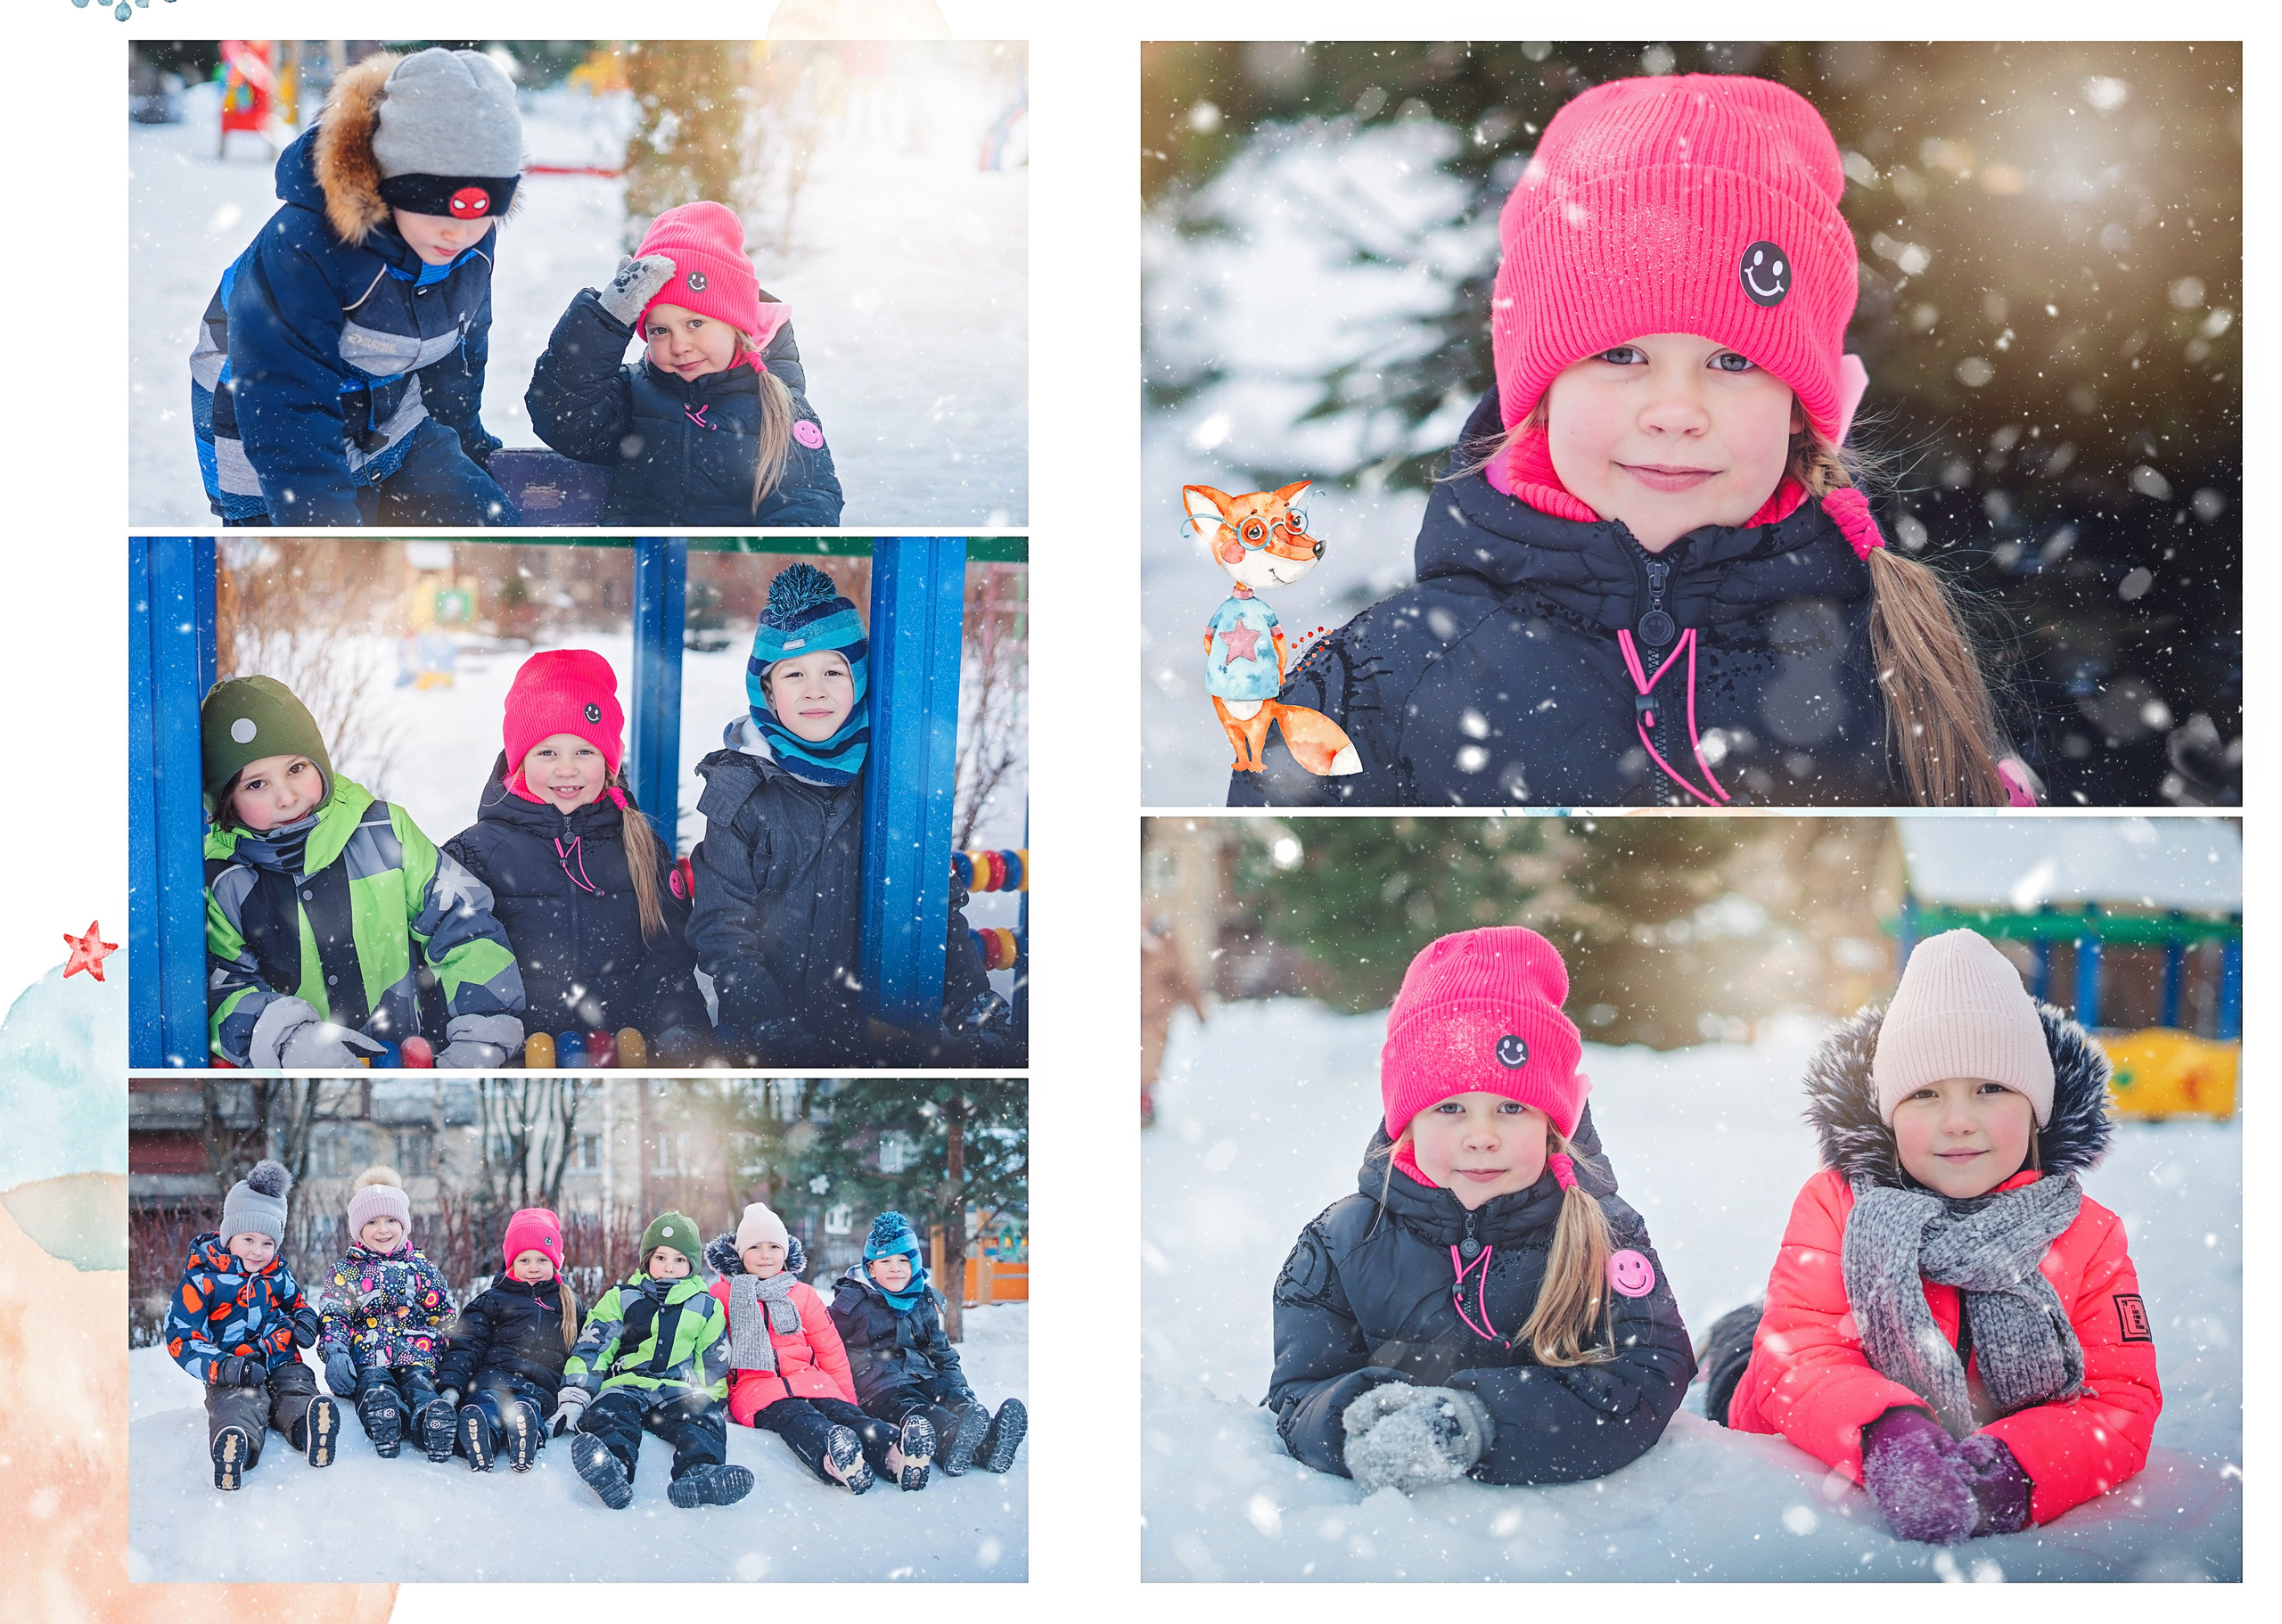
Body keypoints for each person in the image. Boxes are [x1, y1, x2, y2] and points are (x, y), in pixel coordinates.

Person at [1232, 74, 2033, 810]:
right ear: (1542, 389)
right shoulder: (1379, 679)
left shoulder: (1899, 659)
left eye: (1733, 360)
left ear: (1799, 406)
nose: (1675, 410)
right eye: (1621, 355)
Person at [1710, 930, 2162, 1544]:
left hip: (1983, 1444)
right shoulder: (1839, 1205)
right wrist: (1888, 1432)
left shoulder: (2088, 1235)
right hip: (1771, 1388)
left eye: (1990, 1088)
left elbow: (2119, 1403)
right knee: (1749, 1348)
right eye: (1924, 1094)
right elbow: (1797, 1358)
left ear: (2038, 1106)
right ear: (1891, 1115)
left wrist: (2007, 1472)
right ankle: (1732, 1329)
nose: (1957, 1122)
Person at [1268, 927, 1693, 1492]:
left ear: (1552, 1122)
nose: (1482, 1135)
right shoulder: (1342, 1242)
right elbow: (1300, 1391)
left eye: (1511, 1106)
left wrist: (1476, 1420)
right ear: (1407, 1125)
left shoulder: (1602, 1234)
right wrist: (1356, 1419)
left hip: (1569, 1545)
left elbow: (1646, 1379)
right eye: (1450, 1107)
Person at [688, 565, 1013, 1064]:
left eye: (833, 672)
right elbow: (721, 927)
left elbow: (930, 903)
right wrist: (766, 1020)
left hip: (878, 1026)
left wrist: (968, 999)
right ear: (767, 691)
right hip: (768, 1037)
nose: (814, 690)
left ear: (858, 681)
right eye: (794, 673)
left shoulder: (889, 783)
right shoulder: (742, 790)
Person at [188, 47, 521, 526]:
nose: (458, 234)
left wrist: (466, 444)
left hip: (384, 404)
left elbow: (459, 349)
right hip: (261, 407)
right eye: (436, 208)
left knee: (484, 523)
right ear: (389, 182)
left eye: (483, 213)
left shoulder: (467, 241)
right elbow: (286, 401)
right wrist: (325, 533)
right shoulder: (307, 247)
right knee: (328, 560)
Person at [201, 676, 526, 1068]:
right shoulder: (226, 881)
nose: (286, 797)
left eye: (296, 768)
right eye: (256, 784)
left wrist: (483, 1025)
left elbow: (462, 921)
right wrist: (287, 1041)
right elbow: (225, 984)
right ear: (227, 803)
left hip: (409, 1062)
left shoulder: (384, 834)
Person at [443, 651, 708, 1060]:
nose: (566, 769)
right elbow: (450, 965)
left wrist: (679, 1037)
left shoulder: (639, 847)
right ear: (519, 760)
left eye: (584, 752)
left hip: (625, 1060)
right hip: (520, 1064)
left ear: (607, 762)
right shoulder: (475, 856)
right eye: (547, 753)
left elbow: (669, 964)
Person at [525, 201, 844, 525]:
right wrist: (606, 321)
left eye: (695, 324)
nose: (679, 346)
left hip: (731, 570)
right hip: (639, 568)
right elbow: (561, 417)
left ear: (735, 323)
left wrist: (752, 565)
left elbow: (807, 504)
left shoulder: (777, 407)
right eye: (660, 330)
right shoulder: (631, 395)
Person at [705, 1205, 933, 1493]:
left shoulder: (802, 1294)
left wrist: (848, 1399)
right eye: (755, 1247)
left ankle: (896, 1455)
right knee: (798, 1418)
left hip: (811, 1381)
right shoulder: (723, 1295)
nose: (766, 1255)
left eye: (774, 1246)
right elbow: (711, 1350)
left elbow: (830, 1349)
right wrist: (716, 1401)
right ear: (739, 1253)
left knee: (848, 1416)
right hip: (756, 1391)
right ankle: (834, 1457)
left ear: (786, 1252)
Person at [555, 1211, 751, 1511]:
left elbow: (712, 1360)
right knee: (609, 1413)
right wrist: (576, 1393)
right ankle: (613, 1468)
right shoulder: (621, 1298)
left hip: (677, 1392)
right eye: (660, 1257)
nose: (669, 1267)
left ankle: (700, 1473)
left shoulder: (706, 1306)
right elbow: (594, 1347)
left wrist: (712, 1403)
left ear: (691, 1265)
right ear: (647, 1259)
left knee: (702, 1419)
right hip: (626, 1385)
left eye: (679, 1260)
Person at [162, 1160, 338, 1489]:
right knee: (239, 1403)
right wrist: (225, 1367)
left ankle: (310, 1428)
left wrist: (304, 1321)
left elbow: (297, 1302)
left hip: (281, 1358)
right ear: (229, 1235)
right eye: (249, 1239)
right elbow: (181, 1338)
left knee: (296, 1387)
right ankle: (235, 1447)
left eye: (268, 1243)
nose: (259, 1251)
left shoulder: (276, 1274)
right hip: (233, 1369)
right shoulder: (203, 1280)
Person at [829, 1211, 1025, 1477]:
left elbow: (940, 1350)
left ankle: (988, 1442)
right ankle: (948, 1443)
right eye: (885, 1261)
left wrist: (961, 1389)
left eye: (903, 1260)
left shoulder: (922, 1299)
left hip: (920, 1373)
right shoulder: (852, 1303)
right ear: (871, 1268)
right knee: (919, 1410)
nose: (895, 1268)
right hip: (879, 1385)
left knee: (947, 1394)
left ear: (915, 1264)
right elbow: (827, 1346)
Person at [316, 1168, 457, 1464]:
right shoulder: (346, 1271)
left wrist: (452, 1357)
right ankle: (384, 1417)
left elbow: (444, 1315)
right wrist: (335, 1351)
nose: (383, 1230)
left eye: (391, 1220)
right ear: (358, 1229)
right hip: (368, 1357)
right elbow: (335, 1316)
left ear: (404, 1225)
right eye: (372, 1222)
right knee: (373, 1385)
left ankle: (430, 1422)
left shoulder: (422, 1269)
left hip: (417, 1355)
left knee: (419, 1385)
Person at [434, 1207, 582, 1473]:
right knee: (486, 1401)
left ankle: (525, 1436)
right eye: (524, 1260)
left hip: (540, 1385)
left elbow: (587, 1350)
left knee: (527, 1407)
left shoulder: (569, 1304)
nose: (533, 1268)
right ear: (511, 1263)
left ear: (555, 1262)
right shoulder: (492, 1300)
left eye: (542, 1260)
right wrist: (452, 1384)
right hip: (493, 1378)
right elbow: (468, 1343)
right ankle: (481, 1435)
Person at [1139, 915, 1204, 1128]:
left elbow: (1181, 977)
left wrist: (1198, 1008)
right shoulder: (1165, 942)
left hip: (1155, 1014)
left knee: (1147, 1063)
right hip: (1155, 1013)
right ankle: (1143, 1103)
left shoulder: (1166, 942)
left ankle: (1143, 1104)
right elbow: (1181, 977)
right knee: (1147, 1063)